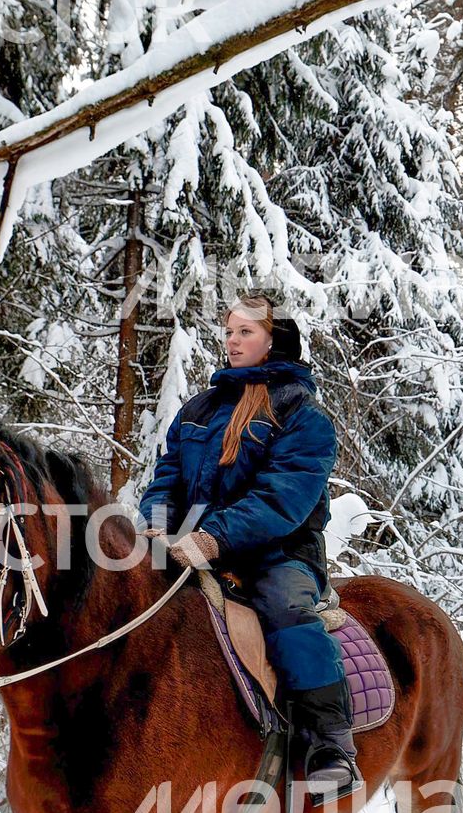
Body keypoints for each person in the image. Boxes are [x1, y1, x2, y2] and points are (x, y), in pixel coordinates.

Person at [140, 292, 357, 786]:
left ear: (273, 340)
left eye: (246, 333)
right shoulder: (199, 408)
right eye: (230, 332)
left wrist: (213, 539)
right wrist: (156, 522)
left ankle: (330, 744)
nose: (233, 342)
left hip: (277, 554)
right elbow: (167, 477)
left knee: (285, 610)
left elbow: (282, 499)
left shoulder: (304, 416)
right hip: (190, 546)